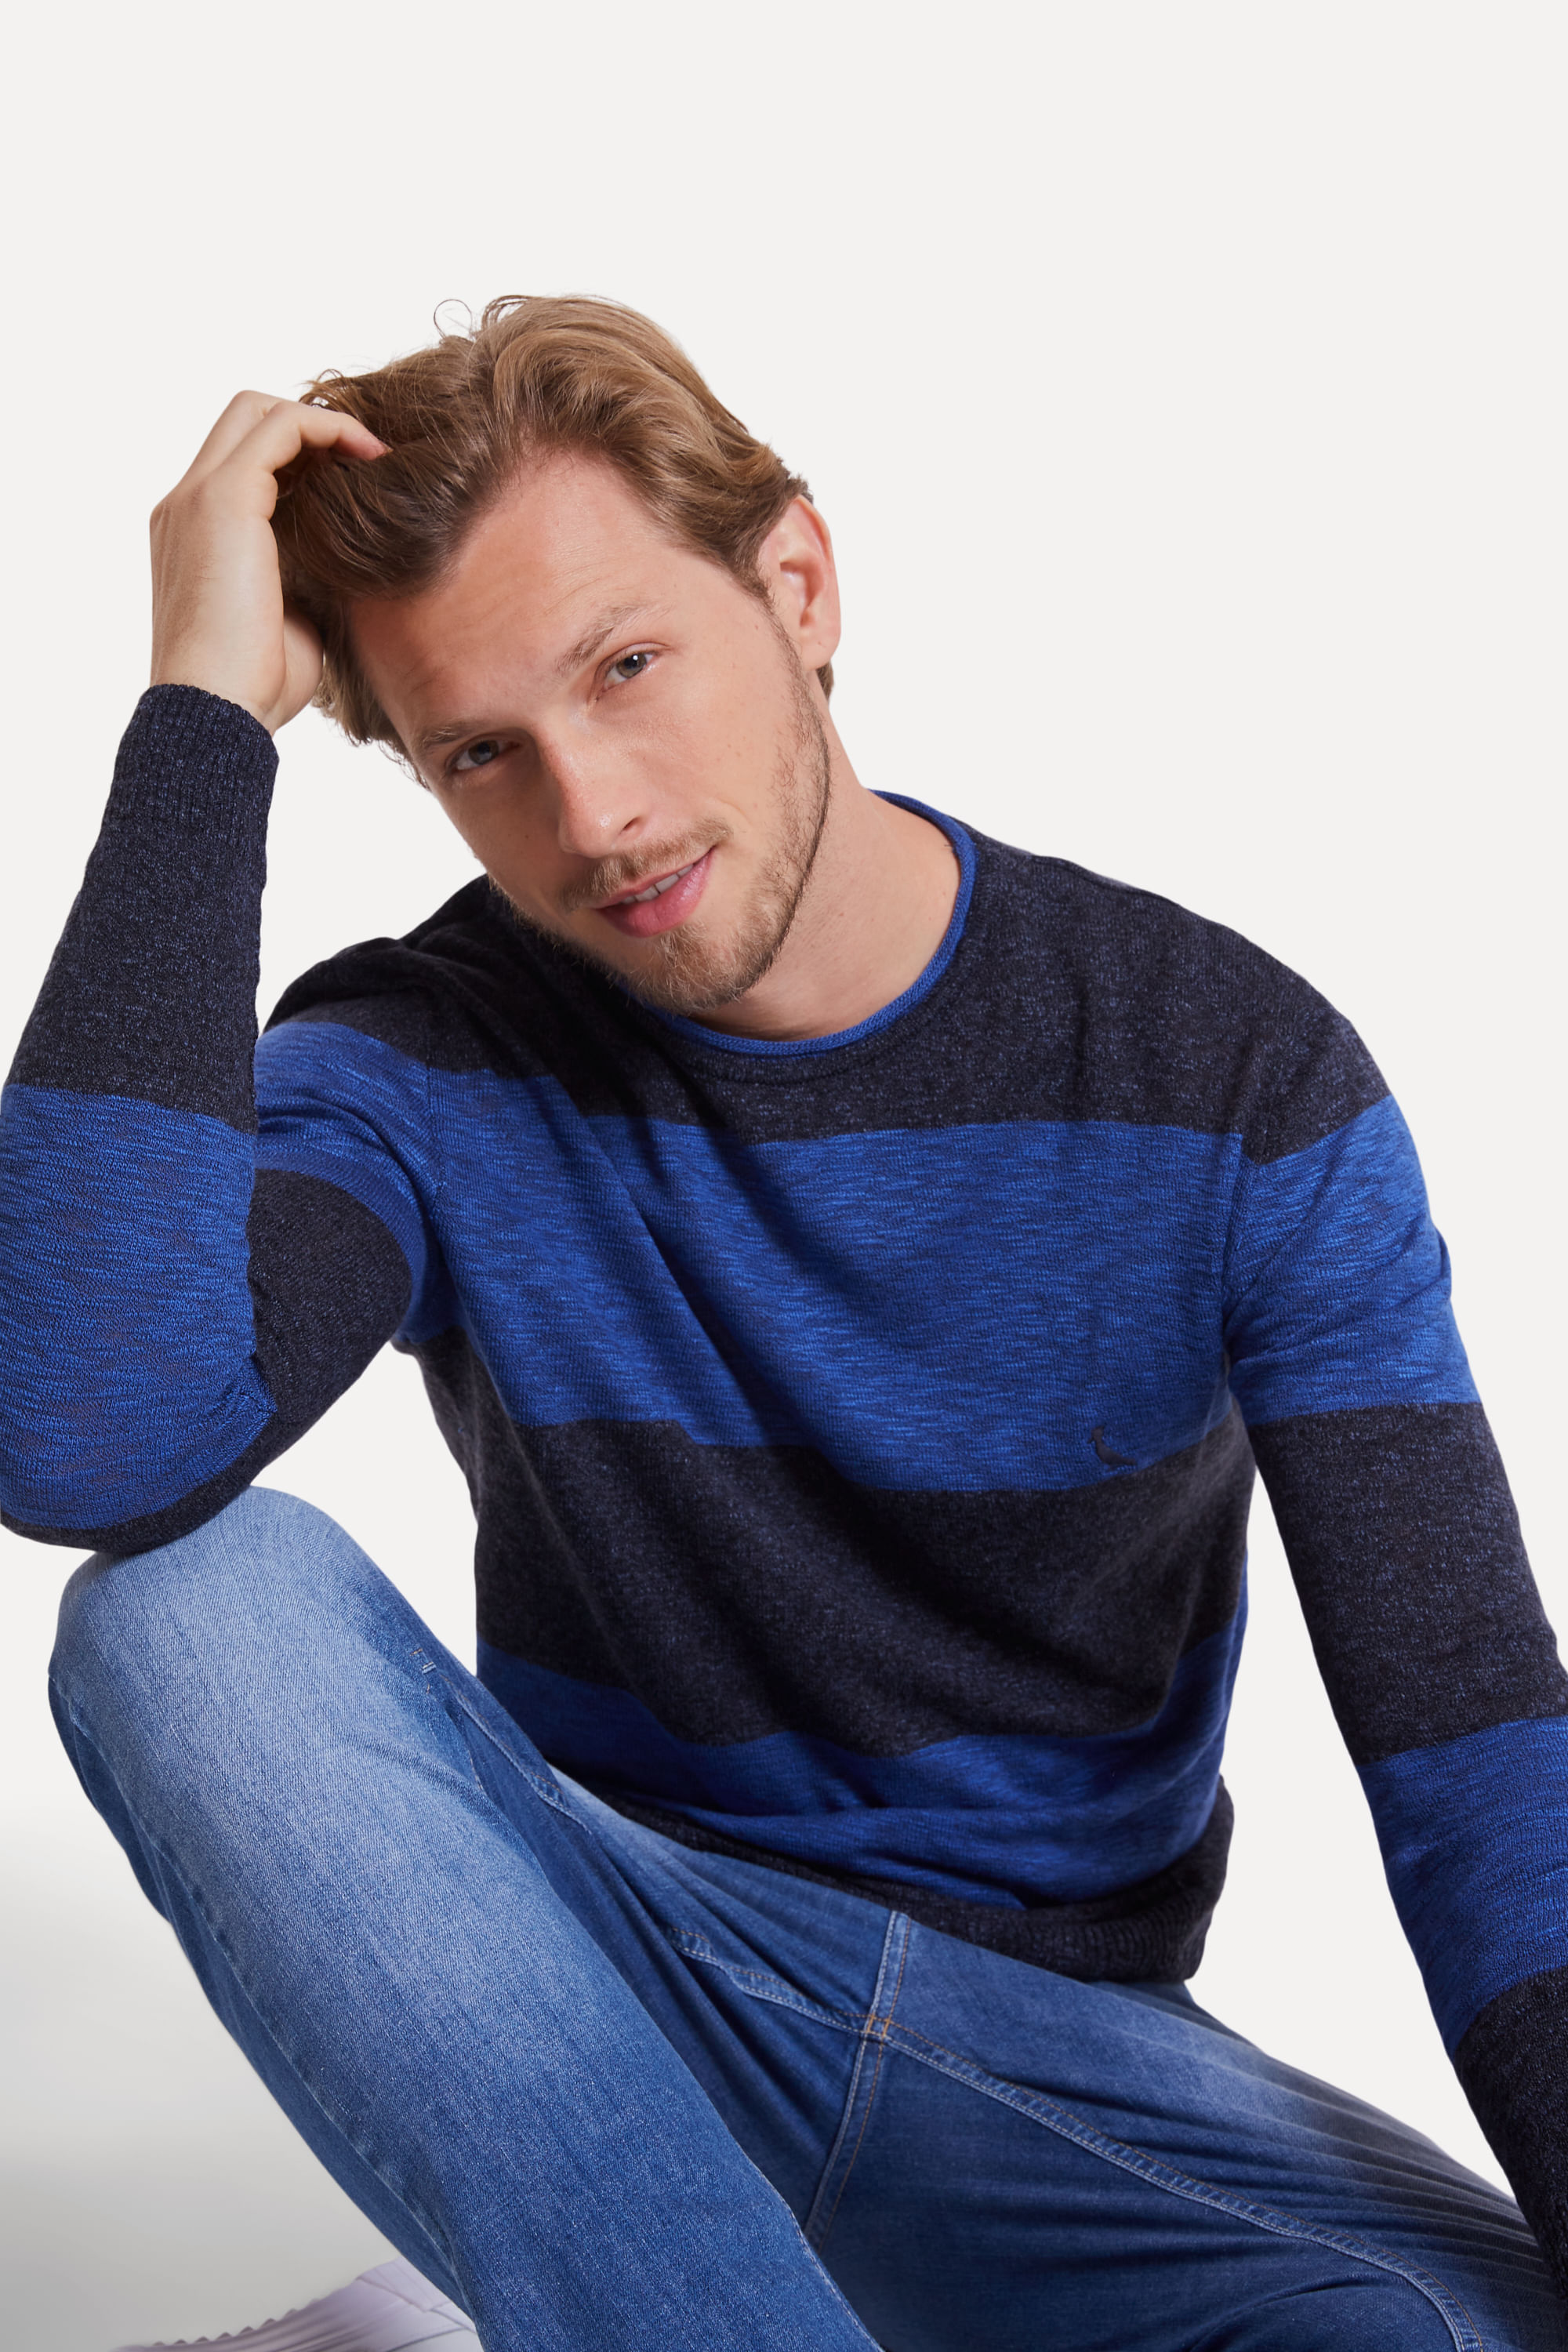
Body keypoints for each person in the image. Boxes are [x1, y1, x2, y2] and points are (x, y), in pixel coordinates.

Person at [2, 295, 1566, 2352]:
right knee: (190, 1611)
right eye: (482, 753)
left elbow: (1476, 1751)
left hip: (1059, 2081)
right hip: (613, 1995)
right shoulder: (426, 1055)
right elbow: (85, 1439)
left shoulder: (1229, 1075)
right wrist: (201, 721)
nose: (596, 815)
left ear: (800, 587)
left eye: (626, 668)